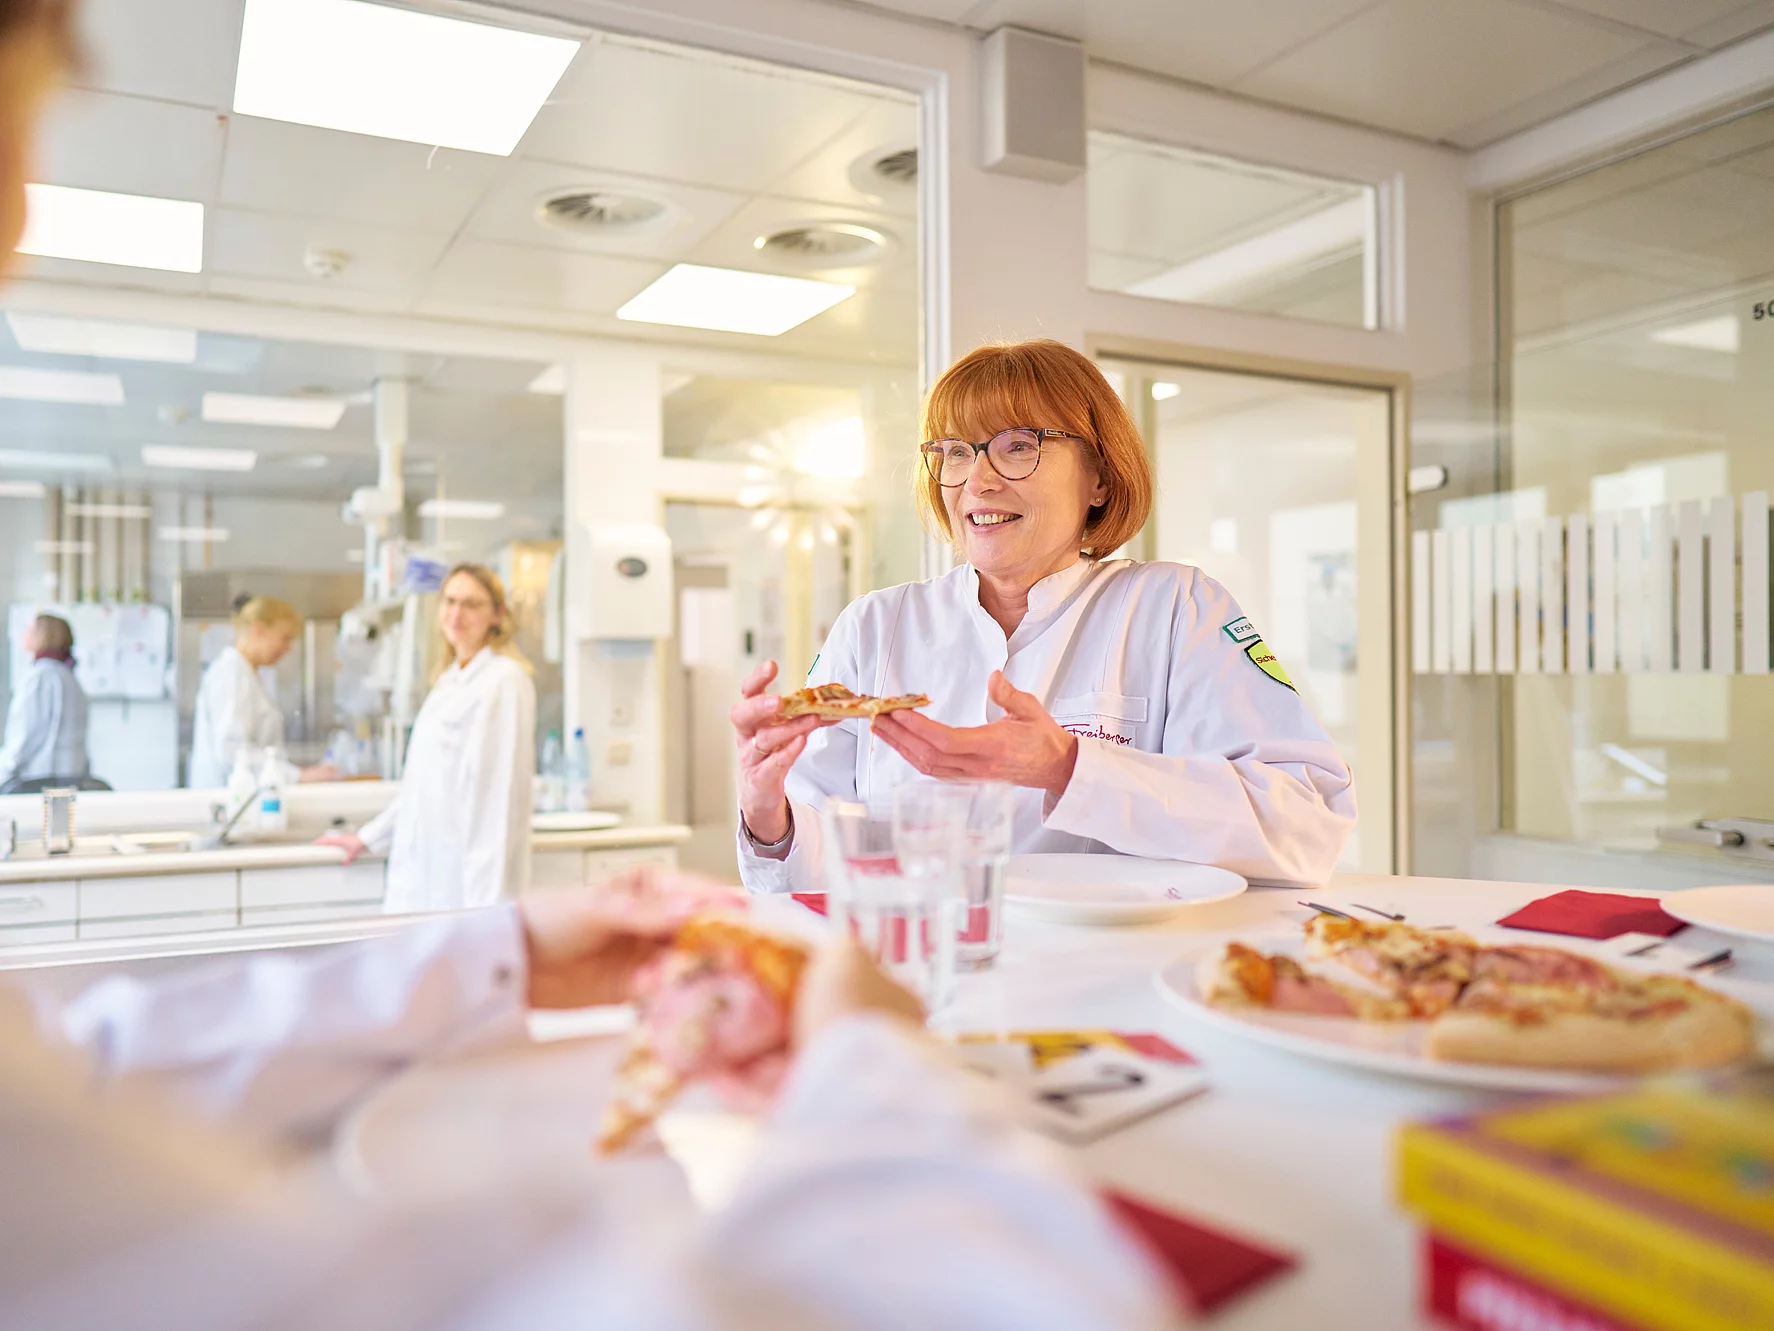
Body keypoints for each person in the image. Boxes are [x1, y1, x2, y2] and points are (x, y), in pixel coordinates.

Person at [732, 339, 1357, 894]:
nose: (976, 481)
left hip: (1115, 988)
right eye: (954, 452)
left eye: (1017, 447)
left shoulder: (1174, 608)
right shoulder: (875, 626)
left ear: (1100, 480)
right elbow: (818, 869)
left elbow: (1306, 827)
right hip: (923, 983)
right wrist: (769, 815)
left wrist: (1068, 768)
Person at [319, 564, 537, 912]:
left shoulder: (503, 681)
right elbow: (420, 787)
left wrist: (486, 915)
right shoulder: (448, 682)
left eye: (471, 604)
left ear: (497, 614)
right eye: (449, 601)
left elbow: (497, 807)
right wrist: (367, 837)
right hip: (422, 880)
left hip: (462, 892)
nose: (456, 614)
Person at [188, 596, 337, 788]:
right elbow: (232, 751)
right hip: (231, 799)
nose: (288, 648)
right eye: (284, 638)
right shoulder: (231, 674)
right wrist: (297, 775)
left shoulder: (247, 674)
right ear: (258, 629)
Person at [0, 612, 88, 793]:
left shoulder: (39, 677)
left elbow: (24, 736)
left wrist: (5, 769)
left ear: (44, 635)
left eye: (30, 630)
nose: (24, 634)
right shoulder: (71, 679)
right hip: (71, 778)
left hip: (37, 781)